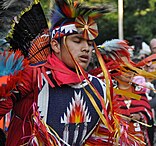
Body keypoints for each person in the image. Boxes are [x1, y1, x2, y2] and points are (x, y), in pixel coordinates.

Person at [0, 1, 110, 145]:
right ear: (56, 45)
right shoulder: (33, 76)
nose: (86, 49)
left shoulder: (99, 88)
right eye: (77, 41)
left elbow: (100, 137)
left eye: (90, 44)